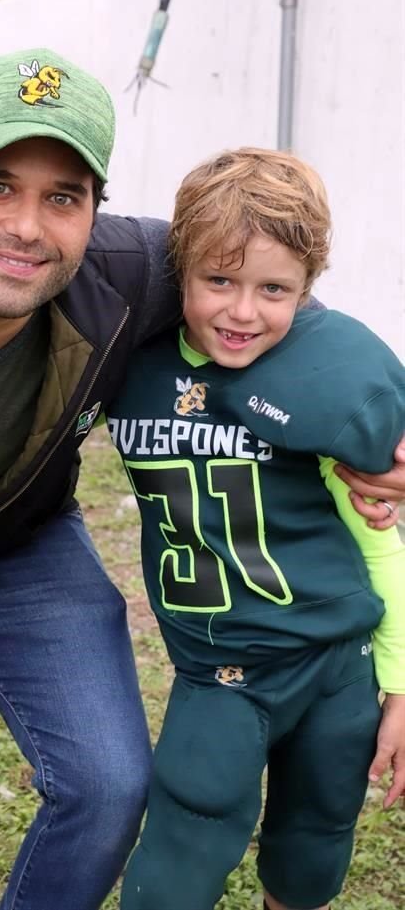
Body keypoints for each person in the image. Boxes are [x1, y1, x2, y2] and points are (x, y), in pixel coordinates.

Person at [0, 52, 402, 910]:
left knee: (110, 782)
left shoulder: (137, 269)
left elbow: (282, 294)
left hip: (13, 558)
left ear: (96, 210)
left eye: (63, 196)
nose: (28, 226)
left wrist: (383, 431)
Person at [108, 147, 405, 910]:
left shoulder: (320, 385)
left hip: (337, 663)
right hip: (222, 668)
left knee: (316, 837)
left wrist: (400, 682)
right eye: (219, 280)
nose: (242, 312)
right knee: (181, 845)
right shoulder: (126, 362)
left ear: (307, 290)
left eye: (273, 288)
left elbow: (377, 536)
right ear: (182, 269)